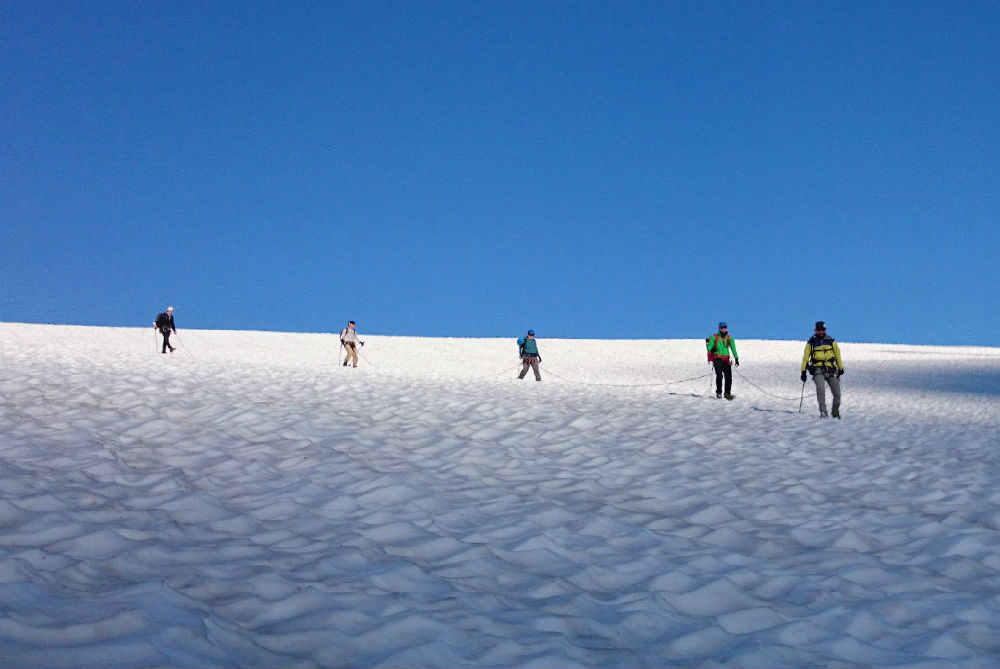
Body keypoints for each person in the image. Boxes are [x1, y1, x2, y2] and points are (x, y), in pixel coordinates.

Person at [800, 321, 845, 418]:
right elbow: (805, 357)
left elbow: (837, 355)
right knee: (820, 389)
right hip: (817, 370)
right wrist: (803, 371)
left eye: (823, 330)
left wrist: (840, 368)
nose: (821, 332)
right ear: (815, 330)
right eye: (819, 330)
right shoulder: (811, 342)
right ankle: (823, 412)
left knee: (837, 394)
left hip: (831, 370)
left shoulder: (831, 341)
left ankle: (835, 412)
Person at [706, 321, 739, 399]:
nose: (724, 329)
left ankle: (727, 394)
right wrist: (713, 349)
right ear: (719, 328)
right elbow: (709, 347)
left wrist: (736, 358)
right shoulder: (715, 337)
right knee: (719, 375)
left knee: (728, 377)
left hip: (726, 359)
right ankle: (719, 392)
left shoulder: (729, 338)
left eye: (725, 327)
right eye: (722, 327)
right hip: (717, 358)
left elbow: (733, 348)